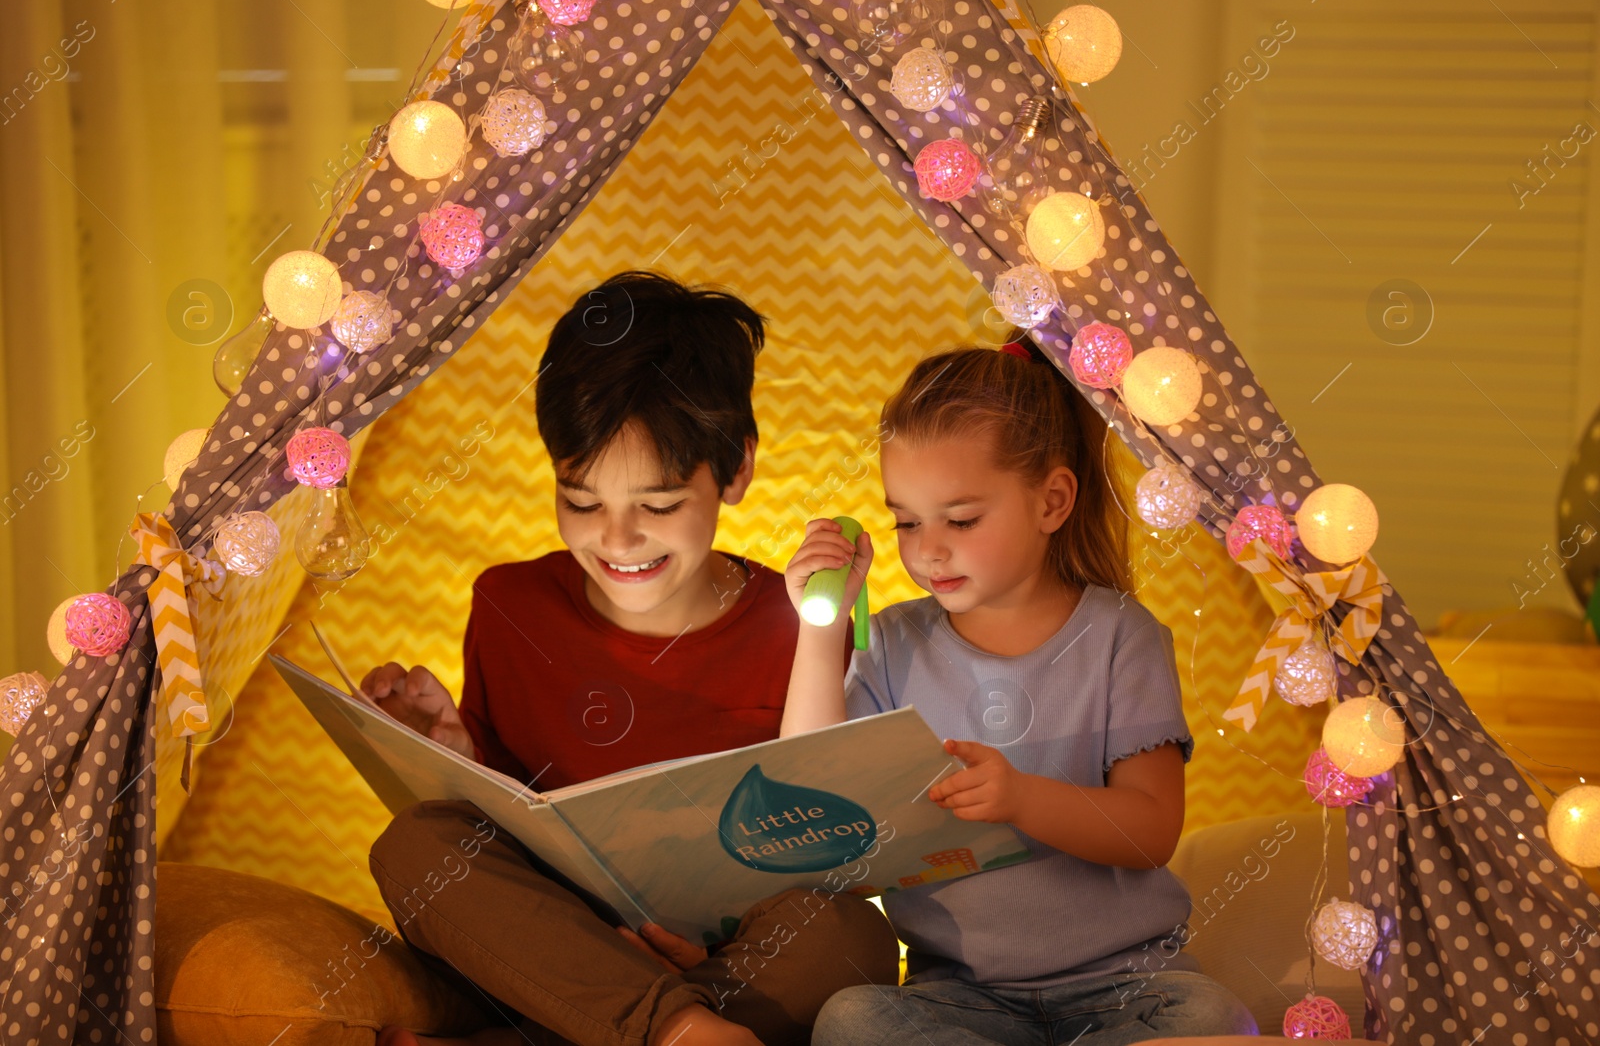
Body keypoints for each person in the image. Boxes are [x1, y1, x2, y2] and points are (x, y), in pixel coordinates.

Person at [361, 271, 898, 1046]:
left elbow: (817, 857)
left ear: (737, 471)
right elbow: (510, 834)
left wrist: (699, 956)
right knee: (415, 845)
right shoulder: (511, 605)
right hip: (561, 949)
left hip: (714, 960)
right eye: (582, 501)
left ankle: (648, 1027)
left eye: (657, 505)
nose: (615, 541)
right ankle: (682, 1030)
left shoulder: (801, 622)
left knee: (851, 937)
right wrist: (452, 754)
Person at [781, 336, 1258, 1045]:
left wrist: (1024, 798)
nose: (928, 548)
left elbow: (1152, 829)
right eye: (906, 521)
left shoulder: (1121, 636)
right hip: (961, 998)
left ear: (1052, 501)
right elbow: (813, 802)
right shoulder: (890, 644)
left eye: (961, 519)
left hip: (1129, 986)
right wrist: (819, 627)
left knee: (1214, 1021)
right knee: (852, 1021)